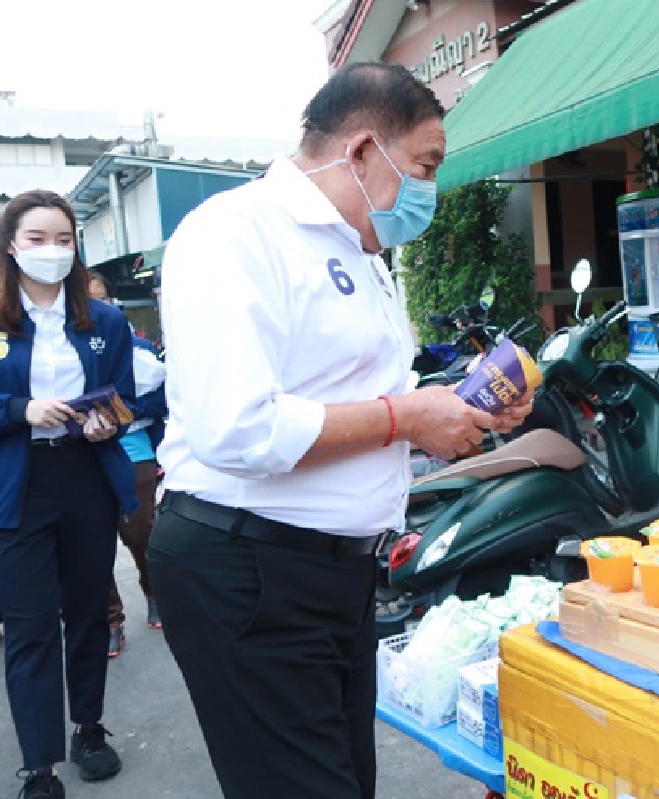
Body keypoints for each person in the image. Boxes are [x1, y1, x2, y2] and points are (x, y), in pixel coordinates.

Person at [146, 61, 532, 799]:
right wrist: (408, 417)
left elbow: (363, 400)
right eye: (424, 165)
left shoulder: (362, 253)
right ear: (361, 151)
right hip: (247, 567)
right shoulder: (233, 234)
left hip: (340, 572)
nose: (429, 190)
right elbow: (240, 426)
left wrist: (448, 412)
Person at [0, 191, 136, 799]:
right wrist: (20, 410)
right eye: (36, 239)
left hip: (85, 478)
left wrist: (111, 420)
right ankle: (40, 764)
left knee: (86, 613)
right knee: (30, 628)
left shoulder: (104, 320)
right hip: (18, 485)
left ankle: (89, 728)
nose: (52, 251)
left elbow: (125, 398)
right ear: (10, 244)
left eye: (64, 239)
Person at [86, 271, 168, 654]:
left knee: (140, 532)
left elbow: (158, 402)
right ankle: (111, 619)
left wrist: (120, 413)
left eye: (104, 299)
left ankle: (155, 592)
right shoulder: (61, 349)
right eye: (88, 299)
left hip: (134, 454)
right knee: (91, 545)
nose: (98, 307)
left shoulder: (138, 347)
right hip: (82, 461)